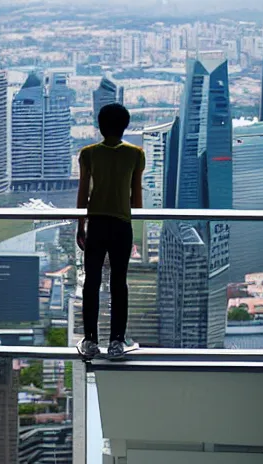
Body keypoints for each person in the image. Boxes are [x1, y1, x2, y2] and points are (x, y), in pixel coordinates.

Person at [76, 103, 145, 358]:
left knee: (91, 283)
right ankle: (117, 340)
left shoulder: (88, 153)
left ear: (100, 126)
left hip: (96, 222)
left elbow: (83, 192)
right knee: (119, 284)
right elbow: (136, 198)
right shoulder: (136, 154)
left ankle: (90, 340)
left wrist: (80, 225)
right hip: (122, 224)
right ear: (125, 126)